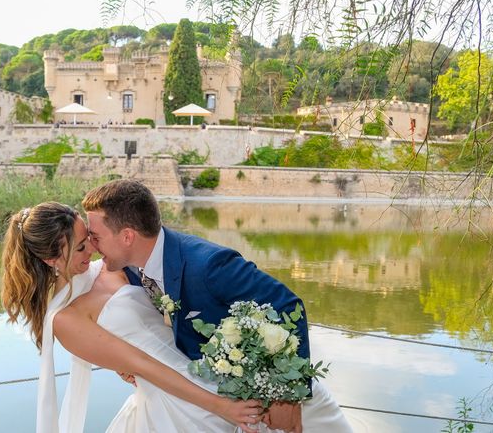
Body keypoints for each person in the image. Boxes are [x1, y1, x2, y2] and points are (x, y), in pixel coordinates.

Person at [82, 180, 352, 433]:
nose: (92, 247)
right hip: (236, 404)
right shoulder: (132, 269)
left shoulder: (208, 265)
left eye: (95, 236)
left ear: (127, 236)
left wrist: (287, 398)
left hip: (287, 399)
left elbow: (286, 305)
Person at [1, 202, 263, 433]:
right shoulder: (65, 319)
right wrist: (220, 406)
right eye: (81, 247)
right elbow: (141, 363)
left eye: (90, 237)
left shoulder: (110, 266)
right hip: (174, 401)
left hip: (204, 370)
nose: (92, 248)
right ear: (51, 259)